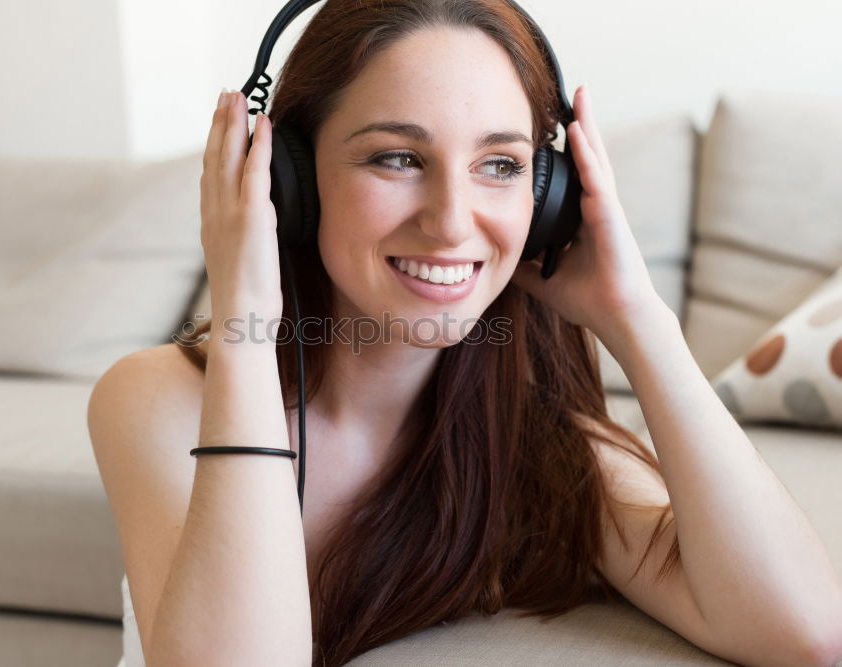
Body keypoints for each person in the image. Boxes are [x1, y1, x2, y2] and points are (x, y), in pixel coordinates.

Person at [88, 1, 842, 666]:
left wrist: (637, 317)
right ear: (287, 177)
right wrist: (247, 321)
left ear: (550, 202)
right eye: (397, 157)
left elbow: (807, 634)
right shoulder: (158, 400)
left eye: (501, 164)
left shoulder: (534, 443)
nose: (452, 221)